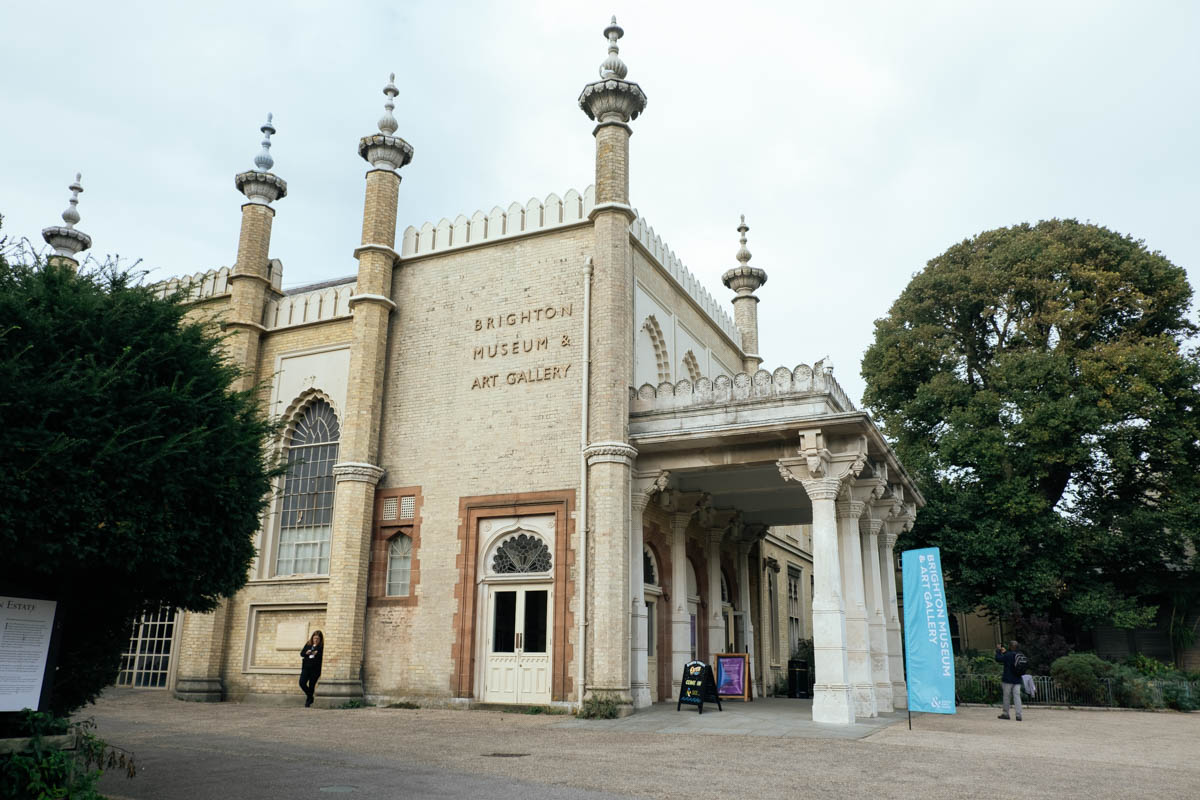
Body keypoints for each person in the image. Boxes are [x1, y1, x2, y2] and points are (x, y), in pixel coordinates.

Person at [994, 640, 1024, 721]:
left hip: (1008, 679)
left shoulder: (1008, 655)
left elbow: (998, 659)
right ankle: (1018, 715)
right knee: (1017, 697)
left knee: (1006, 697)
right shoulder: (1020, 654)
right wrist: (1005, 652)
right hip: (1017, 679)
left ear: (1010, 646)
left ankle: (1006, 713)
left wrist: (998, 650)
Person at [299, 630, 323, 707]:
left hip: (315, 669)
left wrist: (317, 653)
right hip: (306, 667)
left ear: (320, 639)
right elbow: (302, 654)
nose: (315, 640)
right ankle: (310, 697)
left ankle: (308, 701)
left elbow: (322, 657)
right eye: (314, 638)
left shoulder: (321, 647)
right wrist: (307, 653)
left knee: (311, 685)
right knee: (302, 683)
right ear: (312, 638)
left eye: (318, 639)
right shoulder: (308, 644)